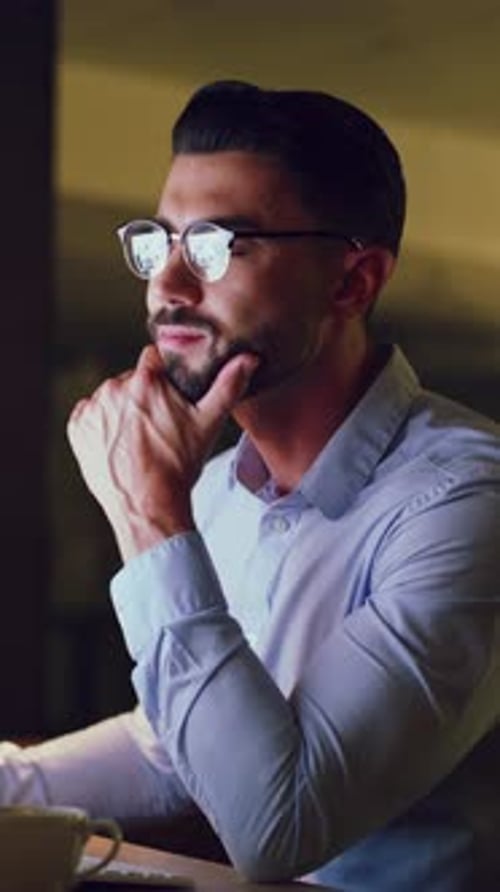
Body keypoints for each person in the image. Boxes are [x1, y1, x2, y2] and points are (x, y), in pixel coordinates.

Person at [2, 80, 500, 890]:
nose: (168, 286)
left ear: (354, 282)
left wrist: (147, 515)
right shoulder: (217, 493)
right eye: (159, 244)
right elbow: (179, 743)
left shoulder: (466, 502)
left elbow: (278, 826)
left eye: (213, 247)